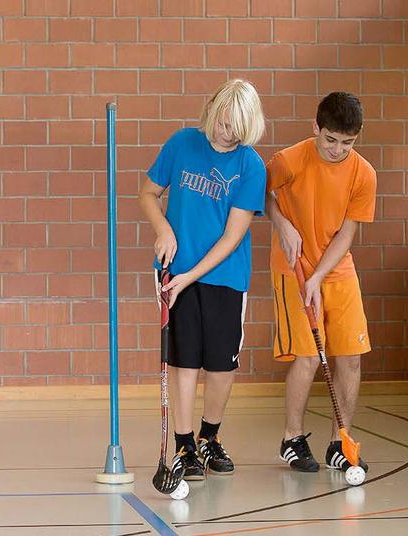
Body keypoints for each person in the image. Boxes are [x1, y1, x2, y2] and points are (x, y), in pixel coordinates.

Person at [138, 79, 266, 480]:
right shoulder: (181, 143)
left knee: (220, 364)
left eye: (233, 128)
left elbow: (233, 236)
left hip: (224, 276)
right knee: (184, 359)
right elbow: (147, 193)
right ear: (211, 109)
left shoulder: (251, 166)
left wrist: (191, 276)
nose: (223, 133)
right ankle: (185, 444)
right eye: (220, 121)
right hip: (176, 271)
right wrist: (164, 229)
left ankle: (210, 439)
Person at [265, 91, 376, 474]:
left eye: (347, 143)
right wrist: (282, 225)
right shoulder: (288, 160)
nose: (337, 149)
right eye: (330, 139)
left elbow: (347, 234)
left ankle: (339, 442)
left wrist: (319, 276)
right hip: (291, 266)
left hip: (335, 270)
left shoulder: (364, 174)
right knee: (309, 356)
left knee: (350, 358)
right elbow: (266, 196)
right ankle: (291, 438)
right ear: (316, 128)